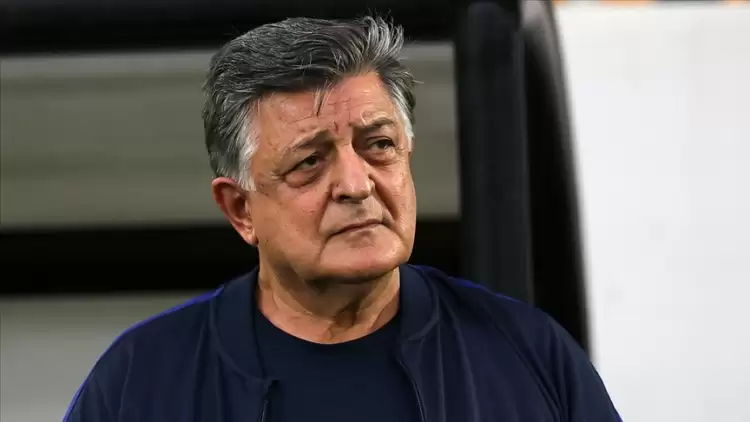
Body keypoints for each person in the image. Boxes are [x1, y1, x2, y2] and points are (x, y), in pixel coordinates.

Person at [64, 15, 621, 422]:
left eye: (378, 145)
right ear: (240, 209)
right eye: (309, 162)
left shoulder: (528, 356)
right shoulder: (141, 383)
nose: (357, 185)